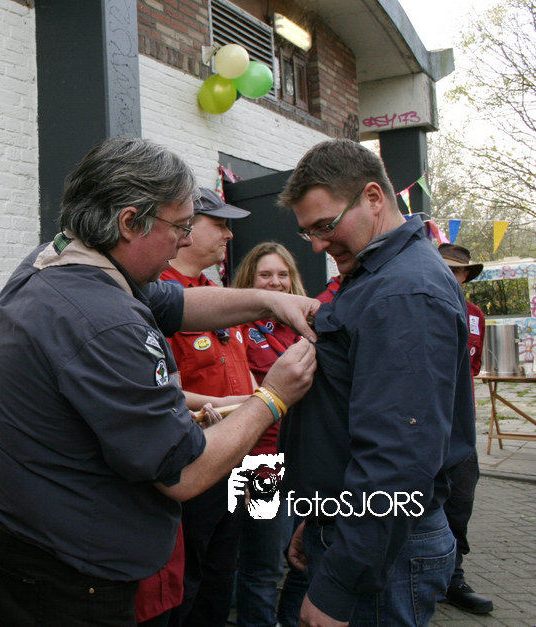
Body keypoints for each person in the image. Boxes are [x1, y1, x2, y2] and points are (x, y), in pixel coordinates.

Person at [0, 137, 319, 627]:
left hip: (23, 536)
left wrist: (269, 301)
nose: (185, 240)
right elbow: (184, 472)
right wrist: (273, 397)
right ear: (130, 221)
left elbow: (176, 303)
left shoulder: (65, 260)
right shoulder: (105, 320)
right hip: (69, 573)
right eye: (181, 226)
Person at [278, 139, 475, 627]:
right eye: (309, 232)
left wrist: (341, 581)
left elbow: (397, 455)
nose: (319, 245)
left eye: (326, 225)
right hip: (358, 527)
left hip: (386, 547)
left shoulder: (404, 291)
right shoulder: (377, 274)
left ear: (372, 197)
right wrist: (322, 516)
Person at [160, 188, 254, 627]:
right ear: (187, 226)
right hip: (194, 460)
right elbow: (160, 390)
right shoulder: (158, 296)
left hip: (239, 456)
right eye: (219, 225)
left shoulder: (216, 294)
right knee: (190, 575)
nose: (228, 235)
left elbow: (243, 372)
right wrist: (238, 404)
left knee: (225, 568)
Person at [230, 242, 307, 627]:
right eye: (265, 275)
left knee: (309, 559)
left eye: (282, 274)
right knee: (263, 567)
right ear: (250, 280)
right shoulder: (238, 327)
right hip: (261, 464)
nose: (275, 282)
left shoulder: (306, 325)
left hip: (307, 461)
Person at [437, 243, 494, 615]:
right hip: (420, 428)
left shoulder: (476, 315)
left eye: (458, 271)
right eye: (445, 269)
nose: (452, 276)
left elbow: (471, 368)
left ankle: (452, 578)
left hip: (460, 430)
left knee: (459, 505)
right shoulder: (418, 304)